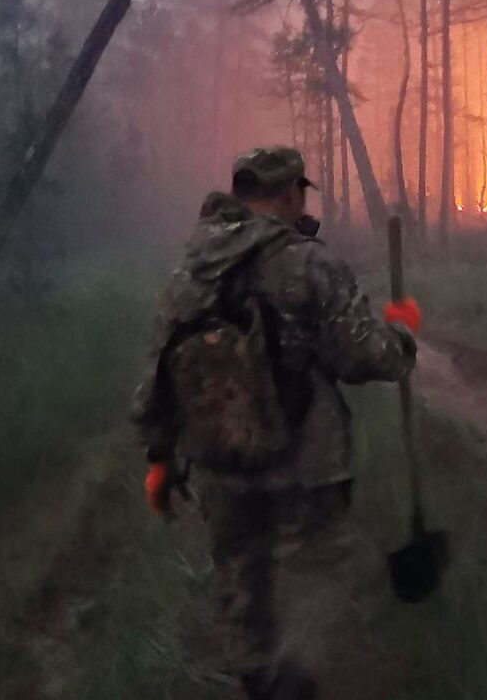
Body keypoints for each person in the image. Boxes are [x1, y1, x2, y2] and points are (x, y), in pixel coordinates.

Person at [132, 146, 419, 700]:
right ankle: (294, 687)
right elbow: (361, 357)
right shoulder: (306, 264)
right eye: (299, 194)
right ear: (290, 193)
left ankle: (260, 685)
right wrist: (401, 337)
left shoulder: (192, 268)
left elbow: (160, 370)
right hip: (307, 466)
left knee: (242, 585)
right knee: (313, 586)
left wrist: (160, 457)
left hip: (221, 466)